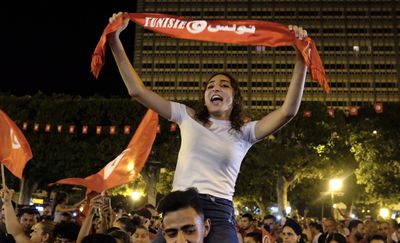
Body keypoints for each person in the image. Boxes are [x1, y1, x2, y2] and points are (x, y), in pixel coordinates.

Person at [107, 12, 308, 243]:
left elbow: (288, 111)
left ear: (235, 98)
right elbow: (137, 91)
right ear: (204, 97)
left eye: (224, 85)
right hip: (178, 207)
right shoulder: (186, 116)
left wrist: (301, 58)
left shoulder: (245, 132)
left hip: (219, 212)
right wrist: (115, 40)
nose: (216, 88)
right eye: (210, 85)